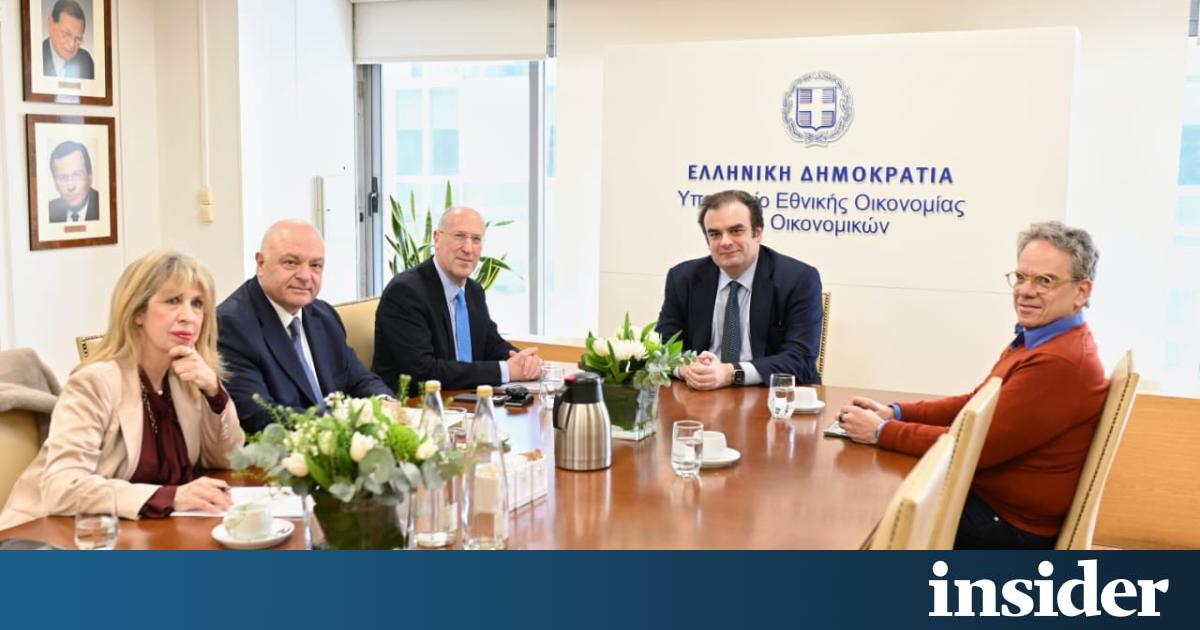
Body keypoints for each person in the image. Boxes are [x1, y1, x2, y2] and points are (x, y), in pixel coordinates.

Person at [837, 221, 1109, 549]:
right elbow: (976, 405)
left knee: (870, 510)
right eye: (1021, 277)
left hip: (1006, 529)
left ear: (1082, 291)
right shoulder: (1042, 340)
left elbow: (973, 447)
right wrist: (895, 413)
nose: (1025, 291)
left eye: (1044, 281)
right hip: (989, 505)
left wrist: (882, 432)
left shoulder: (1060, 362)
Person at [0, 251, 244, 530]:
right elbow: (62, 486)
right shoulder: (94, 383)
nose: (189, 317)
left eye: (197, 304)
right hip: (54, 534)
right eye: (173, 301)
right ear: (138, 312)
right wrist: (171, 497)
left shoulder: (185, 378)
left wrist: (214, 393)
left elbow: (227, 460)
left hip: (145, 532)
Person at [218, 220, 393, 434]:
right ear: (260, 264)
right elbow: (259, 417)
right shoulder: (230, 326)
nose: (304, 276)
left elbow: (359, 379)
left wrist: (384, 402)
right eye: (291, 262)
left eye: (315, 265)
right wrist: (353, 421)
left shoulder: (324, 315)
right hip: (280, 451)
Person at [656, 189, 823, 390]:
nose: (725, 242)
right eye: (715, 234)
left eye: (736, 231)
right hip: (700, 394)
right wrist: (686, 369)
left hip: (770, 395)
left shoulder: (798, 279)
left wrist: (730, 373)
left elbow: (800, 359)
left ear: (758, 233)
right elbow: (662, 345)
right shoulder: (683, 278)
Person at [374, 206, 541, 393]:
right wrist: (505, 371)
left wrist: (523, 361)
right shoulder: (405, 292)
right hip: (415, 404)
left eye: (476, 239)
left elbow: (491, 344)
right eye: (459, 236)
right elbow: (424, 371)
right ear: (437, 239)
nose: (468, 249)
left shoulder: (473, 291)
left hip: (464, 400)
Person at [46, 141, 99, 223]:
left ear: (90, 177)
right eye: (63, 178)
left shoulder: (103, 204)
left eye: (77, 175)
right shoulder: (48, 211)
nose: (70, 186)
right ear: (55, 183)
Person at [42, 0, 95, 80]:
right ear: (50, 24)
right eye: (66, 34)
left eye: (78, 39)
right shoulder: (36, 56)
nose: (72, 45)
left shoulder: (86, 61)